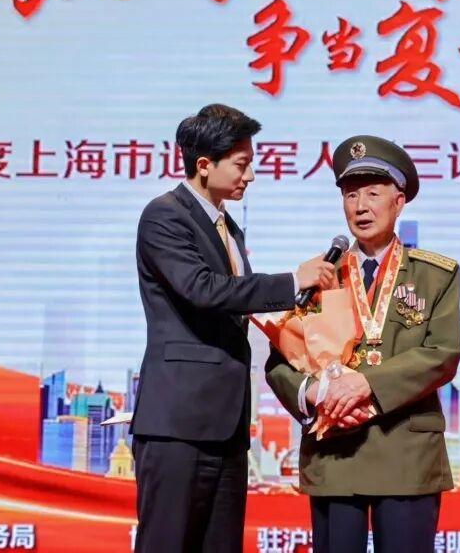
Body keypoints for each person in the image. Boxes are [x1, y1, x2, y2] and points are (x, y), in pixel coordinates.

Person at [131, 103, 335, 553]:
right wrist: (291, 282)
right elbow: (203, 289)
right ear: (205, 164)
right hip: (178, 425)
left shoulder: (228, 228)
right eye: (241, 165)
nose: (251, 176)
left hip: (226, 425)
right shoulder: (165, 216)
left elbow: (236, 302)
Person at [266, 135, 460, 553]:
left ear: (399, 201)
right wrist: (314, 391)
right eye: (351, 195)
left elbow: (443, 354)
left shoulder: (434, 275)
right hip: (336, 451)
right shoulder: (318, 276)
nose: (360, 206)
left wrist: (367, 384)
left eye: (373, 194)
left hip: (406, 452)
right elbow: (280, 360)